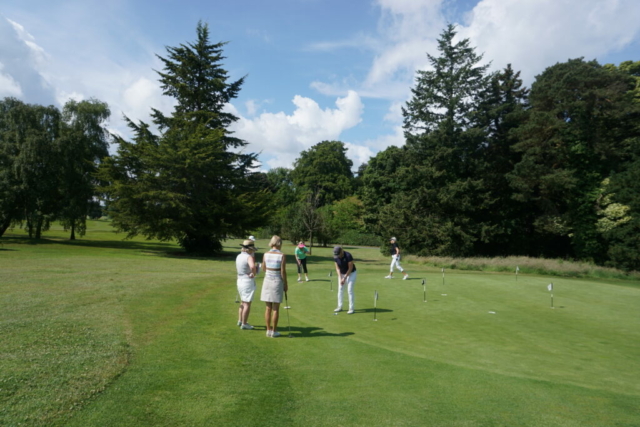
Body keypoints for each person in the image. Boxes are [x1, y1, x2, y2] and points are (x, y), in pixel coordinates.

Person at [260, 235, 288, 337]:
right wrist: (285, 283)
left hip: (267, 281)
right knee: (275, 308)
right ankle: (274, 331)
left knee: (268, 308)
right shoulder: (282, 255)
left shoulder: (266, 254)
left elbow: (263, 268)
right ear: (279, 243)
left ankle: (268, 330)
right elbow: (283, 271)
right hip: (277, 281)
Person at [236, 240, 258, 329]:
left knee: (243, 302)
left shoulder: (239, 256)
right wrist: (254, 273)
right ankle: (244, 324)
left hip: (240, 280)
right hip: (247, 281)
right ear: (250, 249)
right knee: (247, 303)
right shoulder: (248, 257)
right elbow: (252, 266)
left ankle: (240, 320)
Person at [333, 246, 356, 314]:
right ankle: (339, 306)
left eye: (338, 254)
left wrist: (345, 278)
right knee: (340, 289)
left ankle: (351, 308)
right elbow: (337, 269)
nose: (337, 256)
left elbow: (350, 268)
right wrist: (340, 278)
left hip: (351, 273)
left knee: (349, 290)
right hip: (342, 274)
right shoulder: (336, 257)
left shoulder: (348, 255)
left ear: (341, 251)